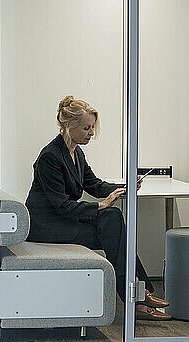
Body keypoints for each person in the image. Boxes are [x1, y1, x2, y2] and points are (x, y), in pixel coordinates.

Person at [25, 95, 171, 321]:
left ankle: (139, 296)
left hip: (63, 220)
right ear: (67, 125)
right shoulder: (50, 157)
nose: (91, 133)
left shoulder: (76, 152)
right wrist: (100, 206)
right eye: (86, 128)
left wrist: (126, 187)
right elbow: (61, 205)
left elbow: (93, 184)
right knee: (112, 223)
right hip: (46, 225)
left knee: (112, 220)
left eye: (92, 127)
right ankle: (138, 295)